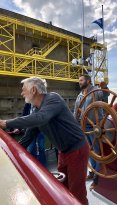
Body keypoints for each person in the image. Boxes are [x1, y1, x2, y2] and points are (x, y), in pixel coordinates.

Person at [0, 76, 89, 205]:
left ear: (34, 90)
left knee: (77, 193)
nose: (21, 93)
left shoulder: (53, 99)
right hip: (63, 152)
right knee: (63, 189)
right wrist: (10, 153)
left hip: (77, 150)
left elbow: (41, 118)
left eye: (23, 89)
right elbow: (28, 137)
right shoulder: (36, 110)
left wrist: (6, 123)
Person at [74, 74, 103, 190]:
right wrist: (74, 125)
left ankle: (97, 177)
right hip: (84, 128)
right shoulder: (80, 95)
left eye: (81, 80)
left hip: (95, 127)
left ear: (88, 81)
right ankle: (92, 172)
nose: (79, 82)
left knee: (96, 151)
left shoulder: (96, 91)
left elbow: (103, 94)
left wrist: (104, 88)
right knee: (89, 152)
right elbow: (76, 111)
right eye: (79, 80)